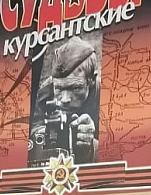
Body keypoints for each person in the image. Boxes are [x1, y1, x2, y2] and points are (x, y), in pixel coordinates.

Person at [29, 36, 100, 167]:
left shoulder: (106, 95)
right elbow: (31, 130)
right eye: (59, 88)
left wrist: (92, 146)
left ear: (91, 80)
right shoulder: (46, 91)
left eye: (76, 88)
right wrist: (43, 132)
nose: (65, 99)